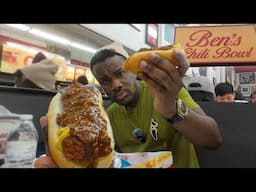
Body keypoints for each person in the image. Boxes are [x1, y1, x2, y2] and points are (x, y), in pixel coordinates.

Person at [35, 42, 222, 168]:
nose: (115, 85)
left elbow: (213, 140)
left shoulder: (165, 92)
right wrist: (61, 145)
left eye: (120, 73)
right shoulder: (110, 115)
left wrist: (171, 109)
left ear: (134, 72)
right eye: (105, 81)